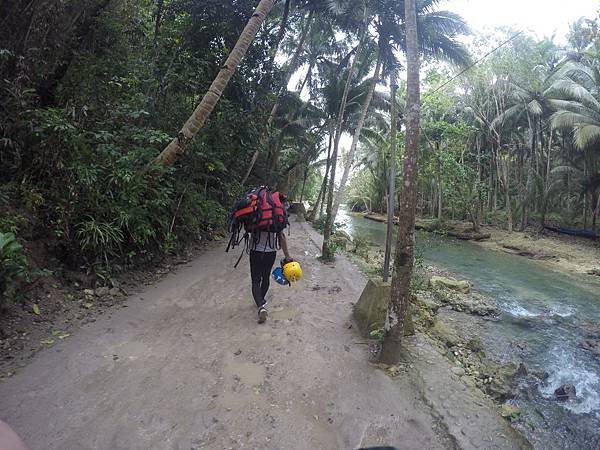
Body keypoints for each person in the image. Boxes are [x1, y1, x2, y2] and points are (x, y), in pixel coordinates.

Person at [249, 230, 292, 323]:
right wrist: (287, 256)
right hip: (270, 252)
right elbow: (281, 236)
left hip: (255, 251)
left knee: (255, 281)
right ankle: (261, 301)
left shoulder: (253, 215)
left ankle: (260, 305)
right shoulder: (275, 216)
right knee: (265, 277)